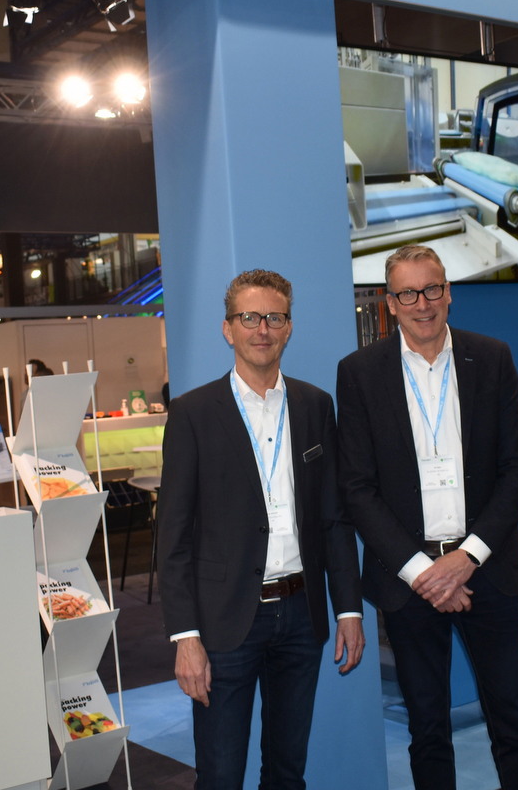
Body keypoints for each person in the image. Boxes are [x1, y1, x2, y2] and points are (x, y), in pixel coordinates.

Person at [336, 245, 518, 790]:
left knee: (513, 724)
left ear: (448, 293)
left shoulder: (491, 358)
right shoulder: (359, 373)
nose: (422, 304)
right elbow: (357, 487)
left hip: (486, 572)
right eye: (407, 294)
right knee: (427, 730)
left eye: (431, 289)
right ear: (390, 304)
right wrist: (423, 572)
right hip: (410, 584)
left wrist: (466, 558)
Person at [158, 268, 365, 790]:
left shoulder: (315, 406)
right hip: (225, 623)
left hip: (300, 616)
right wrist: (185, 637)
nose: (262, 329)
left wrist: (348, 608)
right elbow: (173, 536)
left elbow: (334, 518)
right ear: (228, 329)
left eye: (274, 318)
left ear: (289, 327)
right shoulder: (192, 413)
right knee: (221, 775)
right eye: (249, 318)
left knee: (287, 772)